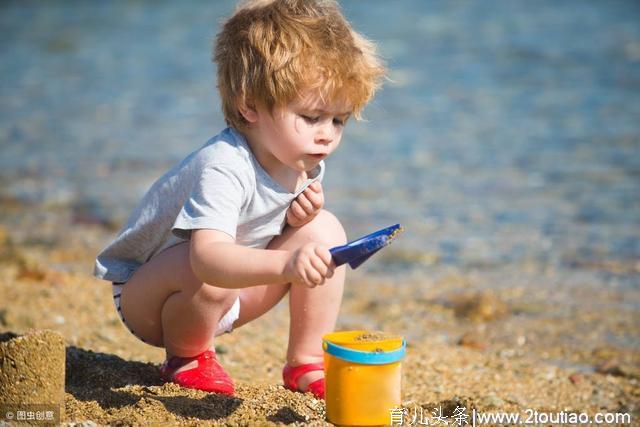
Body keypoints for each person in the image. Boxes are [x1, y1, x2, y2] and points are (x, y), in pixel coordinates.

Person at [94, 0, 384, 399]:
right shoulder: (224, 165)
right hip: (153, 298)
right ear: (250, 106)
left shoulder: (301, 157)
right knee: (206, 271)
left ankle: (306, 361)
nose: (327, 135)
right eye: (312, 117)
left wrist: (295, 224)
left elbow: (260, 228)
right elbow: (207, 258)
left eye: (339, 120)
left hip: (227, 294)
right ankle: (187, 356)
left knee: (326, 230)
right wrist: (286, 261)